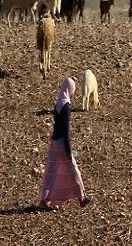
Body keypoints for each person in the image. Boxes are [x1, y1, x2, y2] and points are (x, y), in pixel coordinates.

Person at [38, 77, 94, 211]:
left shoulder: (58, 104)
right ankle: (82, 198)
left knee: (51, 171)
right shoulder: (66, 106)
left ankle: (45, 200)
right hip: (62, 142)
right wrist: (68, 150)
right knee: (73, 170)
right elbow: (65, 129)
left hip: (54, 142)